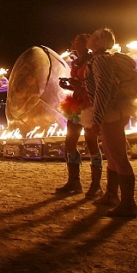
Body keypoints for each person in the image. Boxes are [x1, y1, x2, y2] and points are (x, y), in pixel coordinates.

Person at [84, 27, 137, 218]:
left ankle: (128, 204)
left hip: (110, 112)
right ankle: (111, 195)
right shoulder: (100, 59)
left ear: (99, 42)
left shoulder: (101, 60)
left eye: (92, 37)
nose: (89, 39)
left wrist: (97, 117)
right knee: (111, 153)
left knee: (118, 155)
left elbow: (103, 89)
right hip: (109, 111)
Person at [56, 33, 103, 199]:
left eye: (76, 41)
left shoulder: (93, 61)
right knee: (70, 142)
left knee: (91, 142)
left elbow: (96, 84)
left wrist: (79, 84)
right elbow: (78, 86)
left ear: (85, 44)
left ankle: (96, 184)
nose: (72, 43)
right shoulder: (75, 63)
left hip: (89, 104)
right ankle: (74, 181)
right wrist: (68, 85)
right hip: (75, 104)